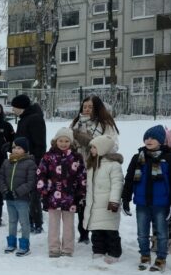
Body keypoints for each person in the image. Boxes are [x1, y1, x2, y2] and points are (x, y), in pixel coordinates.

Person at [122, 125, 171, 272]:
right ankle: (144, 256)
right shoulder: (138, 157)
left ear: (161, 140)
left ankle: (161, 258)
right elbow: (130, 179)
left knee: (162, 234)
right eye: (146, 138)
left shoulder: (170, 159)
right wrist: (125, 199)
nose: (148, 140)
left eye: (153, 138)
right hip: (142, 202)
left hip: (161, 204)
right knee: (142, 233)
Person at [71, 95, 120, 244]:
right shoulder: (76, 123)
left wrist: (90, 142)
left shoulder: (105, 124)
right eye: (84, 106)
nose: (86, 109)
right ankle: (83, 232)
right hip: (78, 167)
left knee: (97, 200)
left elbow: (113, 145)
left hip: (98, 167)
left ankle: (100, 233)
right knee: (82, 201)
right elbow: (68, 141)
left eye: (90, 107)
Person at [37, 128, 87, 258]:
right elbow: (41, 173)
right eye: (61, 140)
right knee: (53, 224)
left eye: (66, 141)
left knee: (69, 225)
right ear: (55, 141)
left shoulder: (76, 157)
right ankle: (53, 248)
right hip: (52, 196)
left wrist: (80, 194)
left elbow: (82, 176)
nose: (63, 143)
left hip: (70, 197)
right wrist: (44, 191)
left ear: (71, 142)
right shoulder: (48, 156)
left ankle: (67, 249)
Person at [84, 135, 124, 264]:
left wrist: (114, 201)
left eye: (94, 147)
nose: (91, 150)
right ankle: (98, 250)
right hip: (94, 204)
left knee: (110, 230)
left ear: (102, 149)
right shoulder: (92, 165)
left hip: (108, 204)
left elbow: (117, 184)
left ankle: (114, 252)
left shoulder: (113, 165)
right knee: (96, 230)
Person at [10, 94, 47, 233]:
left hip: (32, 162)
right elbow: (22, 140)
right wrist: (10, 147)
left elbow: (39, 144)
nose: (12, 109)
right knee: (25, 193)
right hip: (21, 160)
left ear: (21, 107)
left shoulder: (34, 119)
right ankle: (28, 221)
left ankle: (36, 223)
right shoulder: (24, 119)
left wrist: (34, 161)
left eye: (14, 106)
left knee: (33, 194)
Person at [0, 137, 37, 256]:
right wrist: (5, 191)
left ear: (25, 150)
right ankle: (11, 243)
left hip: (22, 199)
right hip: (9, 198)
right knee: (12, 221)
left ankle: (25, 245)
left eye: (19, 148)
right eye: (14, 147)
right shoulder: (7, 162)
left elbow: (31, 182)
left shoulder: (30, 163)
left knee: (24, 222)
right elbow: (1, 178)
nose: (15, 150)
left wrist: (17, 192)